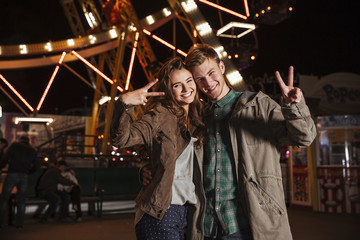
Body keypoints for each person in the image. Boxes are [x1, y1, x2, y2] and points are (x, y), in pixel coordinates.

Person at [142, 44, 317, 240]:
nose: (208, 83)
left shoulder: (258, 105)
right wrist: (148, 168)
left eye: (211, 73)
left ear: (222, 67)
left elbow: (304, 138)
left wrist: (293, 107)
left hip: (248, 226)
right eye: (199, 79)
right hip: (205, 227)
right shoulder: (196, 119)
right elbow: (171, 154)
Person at [110, 57, 205, 240]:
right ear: (167, 91)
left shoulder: (201, 119)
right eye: (177, 85)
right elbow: (121, 139)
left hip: (192, 212)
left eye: (189, 81)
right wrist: (123, 104)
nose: (186, 89)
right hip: (161, 212)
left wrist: (146, 166)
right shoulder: (159, 116)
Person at [0, 135, 39, 229]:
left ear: (20, 140)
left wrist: (1, 167)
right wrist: (28, 172)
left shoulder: (14, 146)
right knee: (21, 201)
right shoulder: (32, 150)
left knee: (4, 199)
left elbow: (5, 158)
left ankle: (0, 223)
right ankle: (19, 224)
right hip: (24, 176)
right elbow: (36, 166)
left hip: (12, 173)